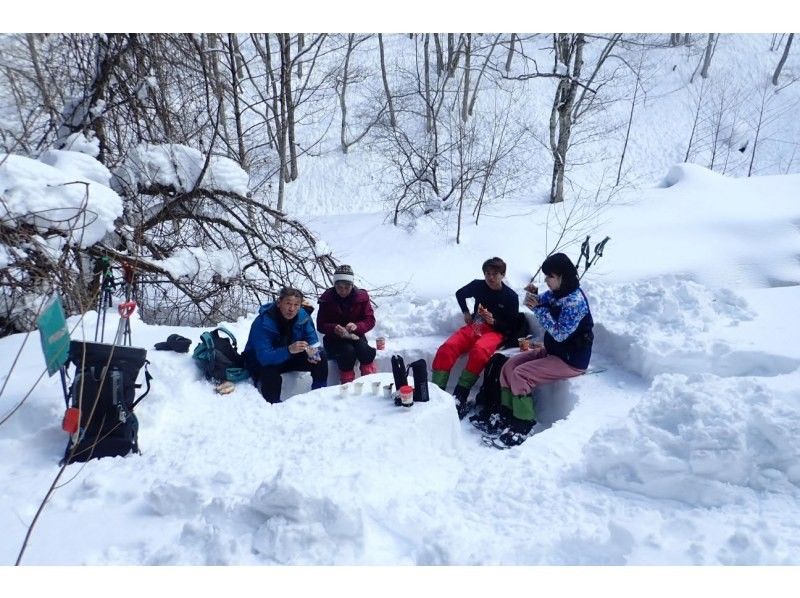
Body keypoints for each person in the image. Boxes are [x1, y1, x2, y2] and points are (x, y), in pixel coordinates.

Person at [490, 253, 594, 447]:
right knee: (509, 366)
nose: (546, 280)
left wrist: (539, 309)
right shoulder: (557, 293)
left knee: (521, 374)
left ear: (563, 277)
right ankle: (506, 413)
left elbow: (560, 334)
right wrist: (533, 296)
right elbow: (540, 302)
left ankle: (523, 423)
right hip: (554, 352)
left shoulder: (575, 303)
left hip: (571, 360)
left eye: (550, 276)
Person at [431, 257, 519, 419]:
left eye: (495, 274)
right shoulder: (478, 285)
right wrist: (465, 312)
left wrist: (494, 321)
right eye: (487, 273)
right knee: (447, 348)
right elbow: (460, 294)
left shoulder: (510, 296)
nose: (490, 278)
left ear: (503, 274)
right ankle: (436, 392)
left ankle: (460, 395)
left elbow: (512, 326)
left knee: (479, 351)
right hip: (477, 324)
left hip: (495, 331)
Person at [243, 287, 328, 403]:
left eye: (296, 305)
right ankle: (274, 405)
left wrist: (313, 352)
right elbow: (264, 357)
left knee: (321, 357)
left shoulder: (303, 317)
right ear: (279, 303)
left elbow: (312, 339)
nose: (292, 309)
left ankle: (319, 394)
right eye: (288, 303)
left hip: (289, 355)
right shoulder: (263, 322)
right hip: (261, 360)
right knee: (271, 375)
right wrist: (288, 350)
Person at [316, 264, 378, 384]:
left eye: (347, 287)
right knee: (347, 352)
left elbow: (370, 320)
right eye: (339, 287)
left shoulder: (361, 297)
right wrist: (334, 328)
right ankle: (347, 384)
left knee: (365, 350)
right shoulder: (327, 299)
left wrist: (357, 326)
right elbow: (321, 324)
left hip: (355, 336)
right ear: (334, 285)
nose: (343, 291)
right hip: (334, 339)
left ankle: (370, 381)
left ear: (352, 285)